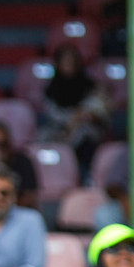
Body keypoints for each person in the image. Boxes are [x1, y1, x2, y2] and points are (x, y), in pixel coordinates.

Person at [37, 43, 110, 174]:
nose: (69, 64)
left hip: (85, 132)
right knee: (43, 137)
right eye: (65, 61)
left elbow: (101, 112)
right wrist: (71, 119)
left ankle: (88, 176)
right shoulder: (51, 90)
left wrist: (84, 116)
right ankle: (51, 175)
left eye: (73, 60)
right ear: (58, 63)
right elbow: (53, 115)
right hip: (60, 130)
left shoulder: (91, 86)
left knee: (84, 133)